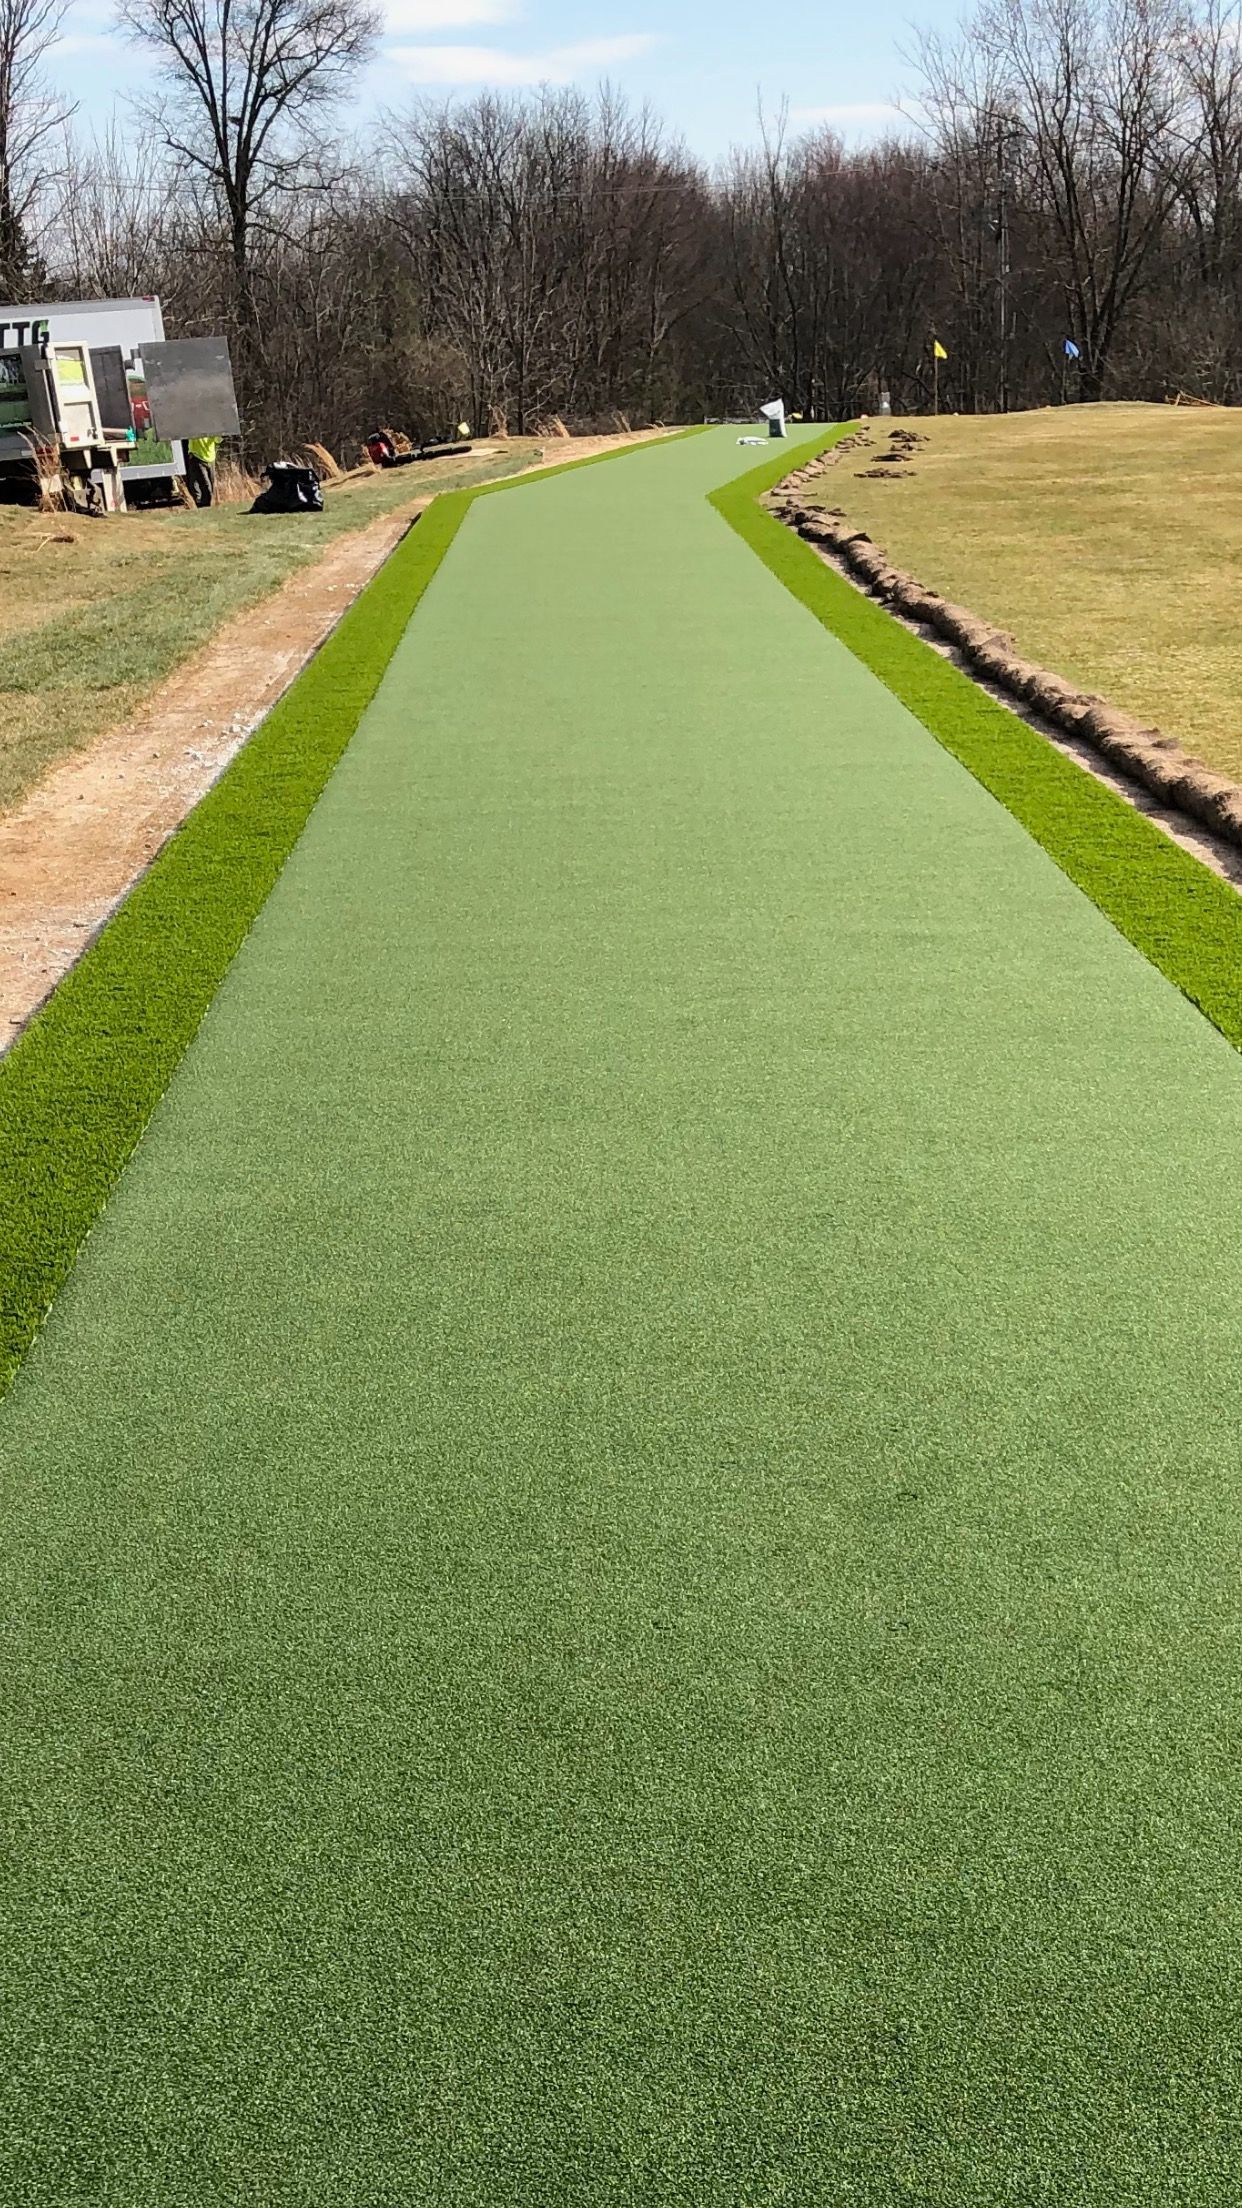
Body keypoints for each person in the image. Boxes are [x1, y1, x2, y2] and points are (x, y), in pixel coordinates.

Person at [184, 435, 219, 507]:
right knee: (206, 484)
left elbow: (218, 440)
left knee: (211, 484)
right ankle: (203, 505)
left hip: (211, 459)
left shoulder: (211, 427)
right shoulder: (194, 428)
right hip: (197, 457)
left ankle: (204, 505)